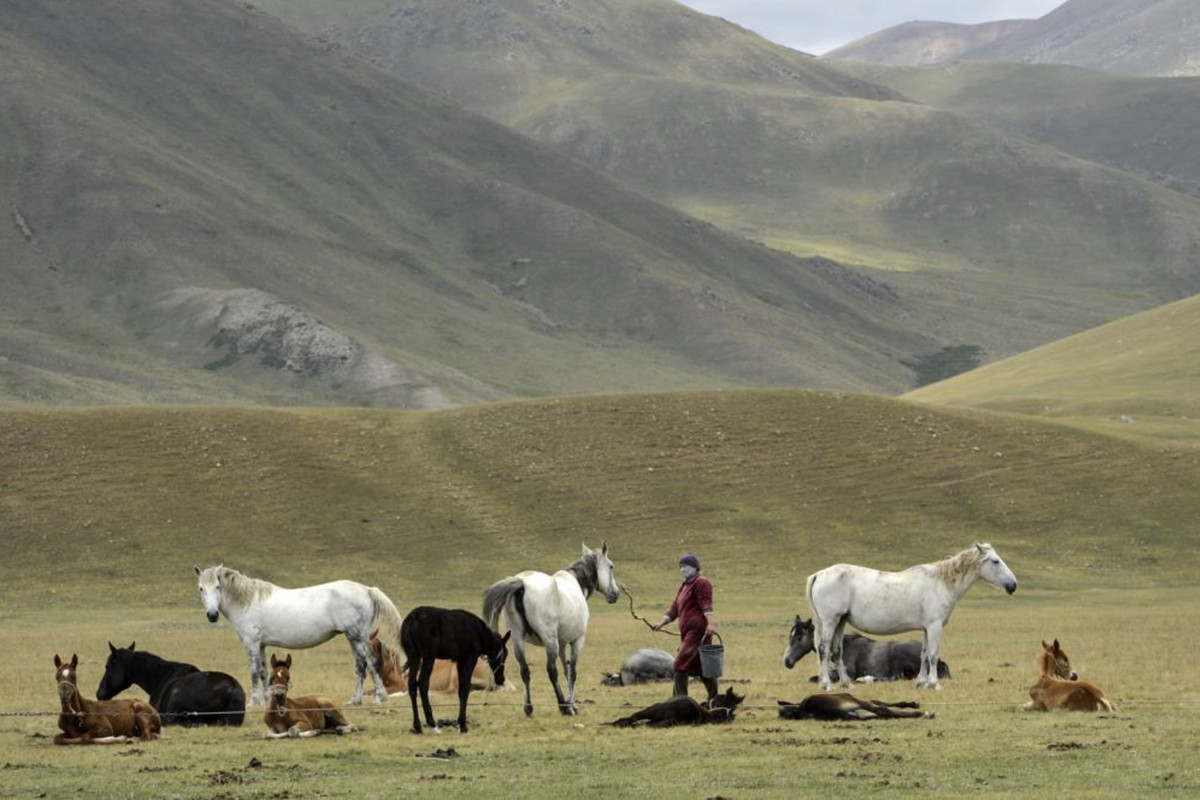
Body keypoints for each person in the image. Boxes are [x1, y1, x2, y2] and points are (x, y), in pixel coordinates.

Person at [652, 552, 718, 700]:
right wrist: (661, 623)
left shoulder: (701, 582)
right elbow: (675, 608)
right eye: (681, 566)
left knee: (679, 665)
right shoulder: (685, 586)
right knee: (702, 668)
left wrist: (711, 623)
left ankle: (679, 700)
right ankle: (714, 698)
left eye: (686, 566)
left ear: (695, 567)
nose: (683, 569)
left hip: (698, 631)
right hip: (687, 632)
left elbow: (706, 605)